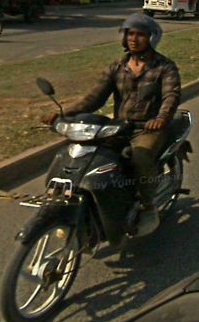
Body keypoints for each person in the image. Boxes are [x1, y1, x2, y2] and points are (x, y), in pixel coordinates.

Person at [44, 12, 180, 227]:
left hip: (148, 128)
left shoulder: (164, 67)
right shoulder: (117, 67)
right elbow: (94, 98)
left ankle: (147, 204)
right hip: (119, 127)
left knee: (140, 156)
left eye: (140, 35)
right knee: (93, 155)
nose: (134, 39)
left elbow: (171, 95)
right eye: (130, 34)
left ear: (152, 37)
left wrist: (161, 118)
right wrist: (64, 114)